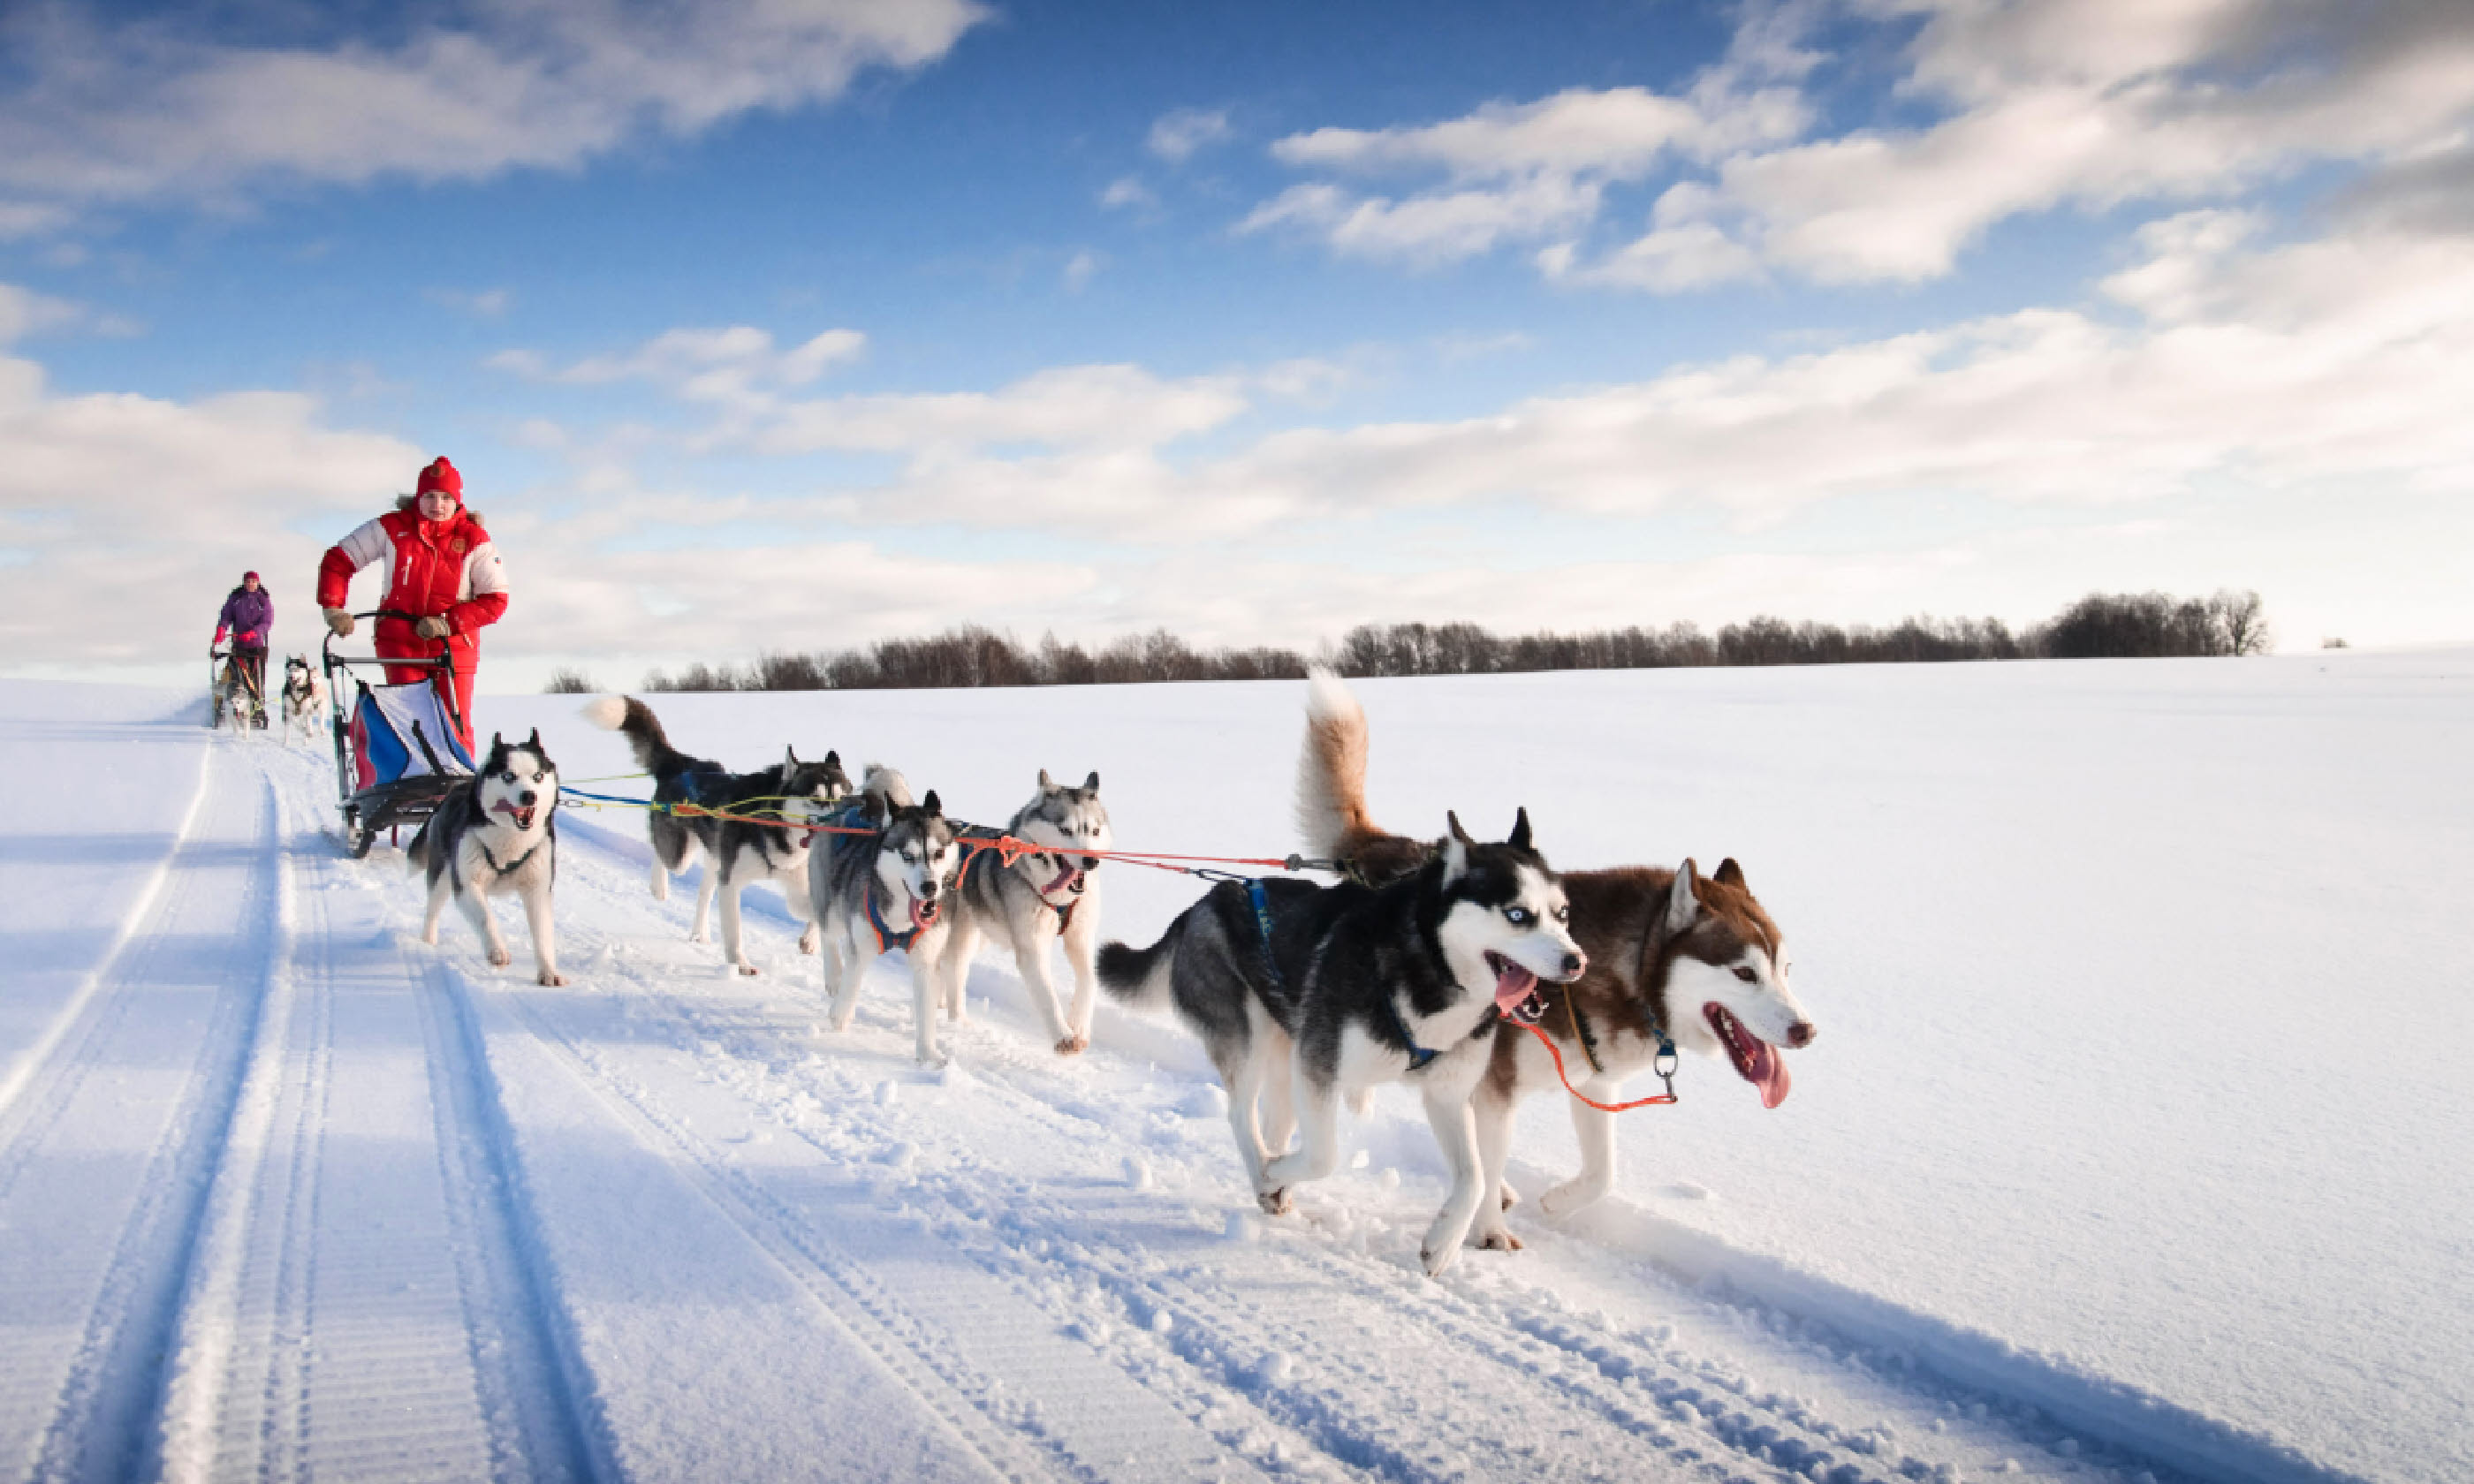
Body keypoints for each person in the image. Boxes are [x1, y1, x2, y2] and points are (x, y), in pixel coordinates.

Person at [315, 456, 508, 755]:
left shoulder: (474, 539)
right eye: (429, 496)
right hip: (400, 643)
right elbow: (337, 561)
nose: (437, 504)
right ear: (418, 497)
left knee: (454, 726)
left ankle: (458, 793)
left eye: (446, 497)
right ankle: (411, 794)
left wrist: (448, 623)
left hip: (454, 645)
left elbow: (495, 600)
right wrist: (334, 607)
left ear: (457, 502)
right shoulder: (392, 528)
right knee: (410, 725)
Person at [211, 569, 274, 728]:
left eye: (253, 581)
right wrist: (222, 629)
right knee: (234, 679)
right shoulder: (236, 598)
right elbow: (226, 615)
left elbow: (267, 623)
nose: (250, 584)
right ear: (244, 582)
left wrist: (253, 633)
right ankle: (226, 708)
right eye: (248, 581)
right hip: (238, 646)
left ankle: (256, 710)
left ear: (258, 583)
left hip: (257, 647)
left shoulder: (263, 600)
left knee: (256, 682)